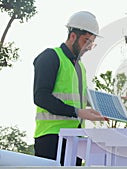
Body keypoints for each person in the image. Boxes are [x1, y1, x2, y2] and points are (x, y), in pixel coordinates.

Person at [33, 11, 108, 165]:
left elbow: (79, 99)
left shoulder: (80, 67)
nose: (88, 47)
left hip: (76, 139)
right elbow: (41, 97)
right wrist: (77, 112)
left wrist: (110, 104)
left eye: (92, 43)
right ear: (73, 36)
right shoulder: (50, 57)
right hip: (51, 138)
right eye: (86, 41)